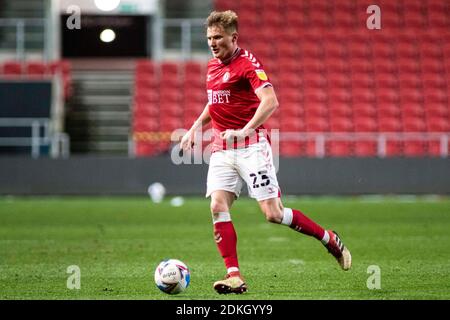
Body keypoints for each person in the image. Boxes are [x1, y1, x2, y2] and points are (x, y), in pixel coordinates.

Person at [180, 10, 351, 294]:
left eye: (218, 37)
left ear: (233, 37)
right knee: (217, 206)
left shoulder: (247, 64)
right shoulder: (212, 66)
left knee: (273, 214)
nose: (212, 42)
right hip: (222, 149)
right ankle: (234, 276)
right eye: (209, 37)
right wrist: (195, 126)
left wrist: (245, 130)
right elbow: (215, 102)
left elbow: (271, 101)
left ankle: (329, 238)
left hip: (252, 148)